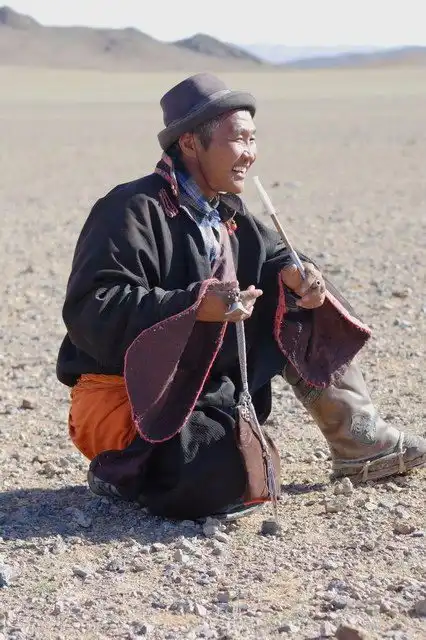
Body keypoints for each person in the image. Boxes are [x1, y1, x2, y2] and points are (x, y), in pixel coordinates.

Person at [56, 73, 425, 521]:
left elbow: (278, 256)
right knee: (228, 475)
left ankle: (359, 440)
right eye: (237, 139)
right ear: (190, 143)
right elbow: (92, 308)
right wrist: (194, 306)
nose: (250, 153)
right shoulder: (131, 208)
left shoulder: (227, 211)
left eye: (253, 139)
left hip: (199, 380)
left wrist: (301, 275)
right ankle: (120, 470)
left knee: (298, 295)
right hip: (128, 393)